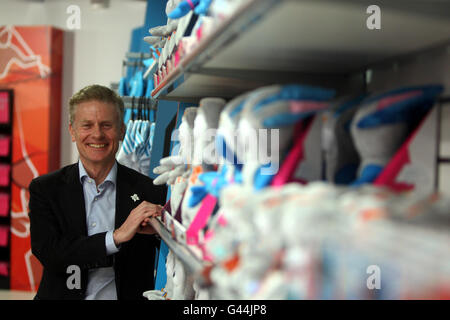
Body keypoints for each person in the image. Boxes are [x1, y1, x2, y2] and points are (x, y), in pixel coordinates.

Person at [28, 84, 167, 300]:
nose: (97, 134)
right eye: (87, 125)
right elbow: (51, 253)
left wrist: (161, 230)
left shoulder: (151, 190)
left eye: (106, 125)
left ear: (122, 130)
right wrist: (115, 237)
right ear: (72, 131)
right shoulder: (45, 189)